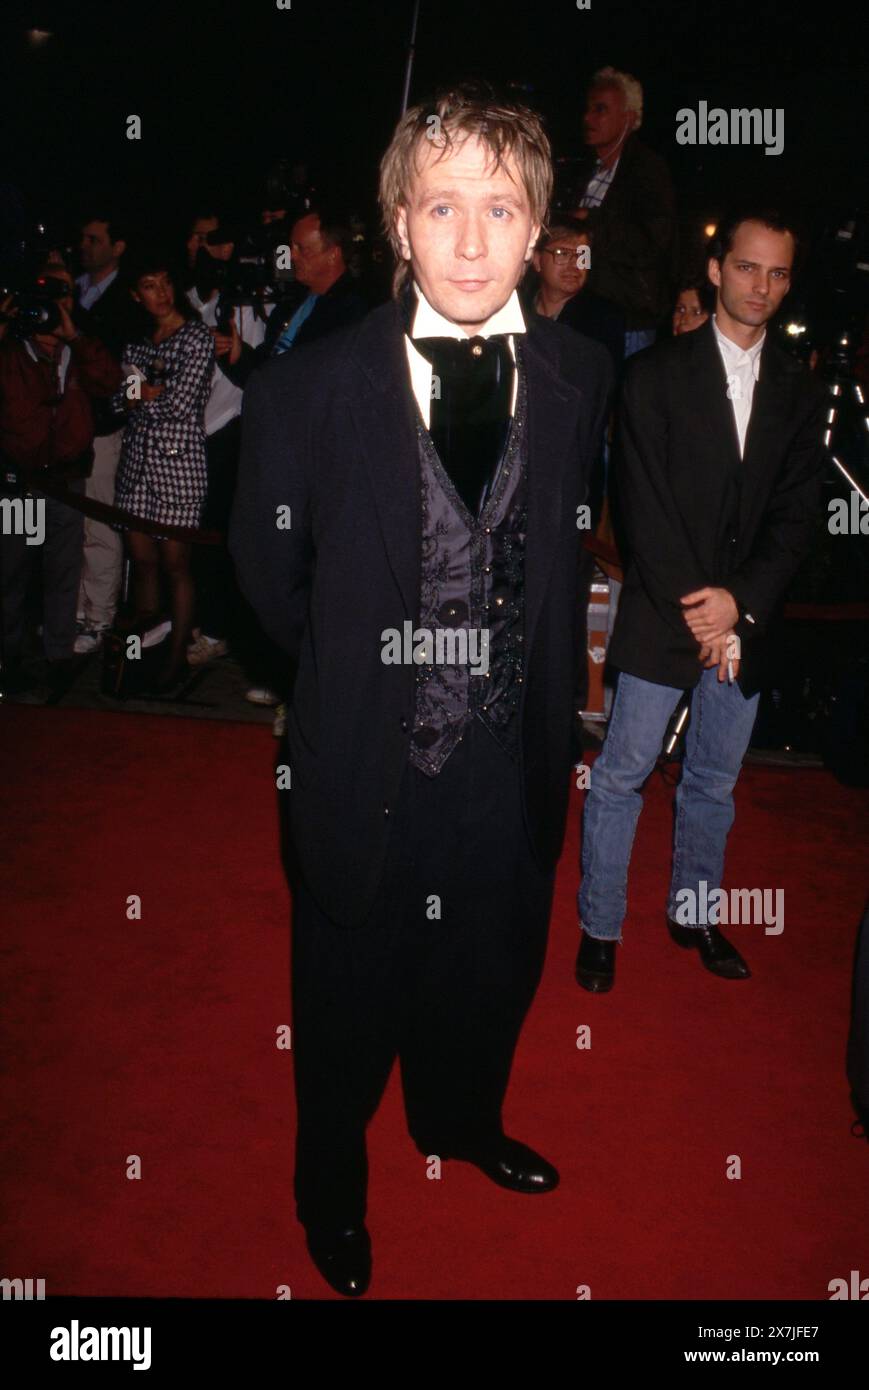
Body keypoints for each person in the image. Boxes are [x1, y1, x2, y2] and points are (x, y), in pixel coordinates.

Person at [229, 83, 611, 1297]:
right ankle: (328, 1189)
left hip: (506, 763)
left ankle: (457, 1122)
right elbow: (267, 585)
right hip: (366, 765)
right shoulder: (305, 393)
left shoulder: (578, 377)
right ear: (396, 220)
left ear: (537, 224)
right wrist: (358, 679)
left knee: (487, 976)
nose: (465, 239)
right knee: (343, 1007)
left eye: (497, 209)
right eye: (439, 205)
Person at [575, 209, 828, 994]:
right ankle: (600, 924)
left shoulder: (798, 386)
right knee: (621, 774)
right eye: (748, 268)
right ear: (715, 271)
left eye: (778, 273)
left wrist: (739, 607)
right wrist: (704, 608)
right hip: (665, 610)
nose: (762, 287)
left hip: (744, 624)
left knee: (713, 780)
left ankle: (693, 913)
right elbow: (642, 506)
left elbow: (797, 513)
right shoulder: (653, 374)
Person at [0, 264, 120, 694]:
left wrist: (75, 337)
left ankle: (57, 656)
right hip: (21, 487)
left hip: (68, 485)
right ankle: (9, 657)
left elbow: (114, 384)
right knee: (11, 572)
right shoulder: (11, 355)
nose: (52, 308)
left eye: (63, 295)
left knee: (63, 573)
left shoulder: (79, 352)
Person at [109, 249, 214, 692]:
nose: (162, 294)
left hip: (179, 469)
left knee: (176, 565)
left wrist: (145, 394)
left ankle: (176, 656)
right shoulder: (134, 345)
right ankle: (142, 656)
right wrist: (143, 394)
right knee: (143, 563)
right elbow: (119, 402)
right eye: (150, 286)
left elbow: (179, 402)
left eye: (165, 283)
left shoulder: (196, 338)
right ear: (136, 295)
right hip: (136, 469)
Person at [573, 66, 678, 355]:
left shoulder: (648, 171)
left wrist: (589, 225)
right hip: (583, 310)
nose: (588, 117)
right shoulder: (583, 170)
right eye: (588, 108)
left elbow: (653, 243)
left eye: (601, 109)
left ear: (629, 118)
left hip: (628, 318)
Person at [73, 210, 140, 653]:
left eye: (95, 239)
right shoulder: (73, 289)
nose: (85, 246)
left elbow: (117, 372)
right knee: (70, 526)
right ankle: (75, 610)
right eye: (83, 238)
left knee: (100, 524)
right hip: (65, 425)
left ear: (117, 247)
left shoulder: (124, 302)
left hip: (102, 428)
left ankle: (99, 617)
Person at [261, 206, 369, 357]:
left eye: (302, 249)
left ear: (333, 255)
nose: (291, 256)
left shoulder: (350, 313)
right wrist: (238, 357)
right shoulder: (292, 301)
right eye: (291, 247)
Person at [528, 217, 624, 371]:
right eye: (562, 254)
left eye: (582, 255)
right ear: (537, 260)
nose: (575, 264)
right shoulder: (517, 309)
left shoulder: (602, 318)